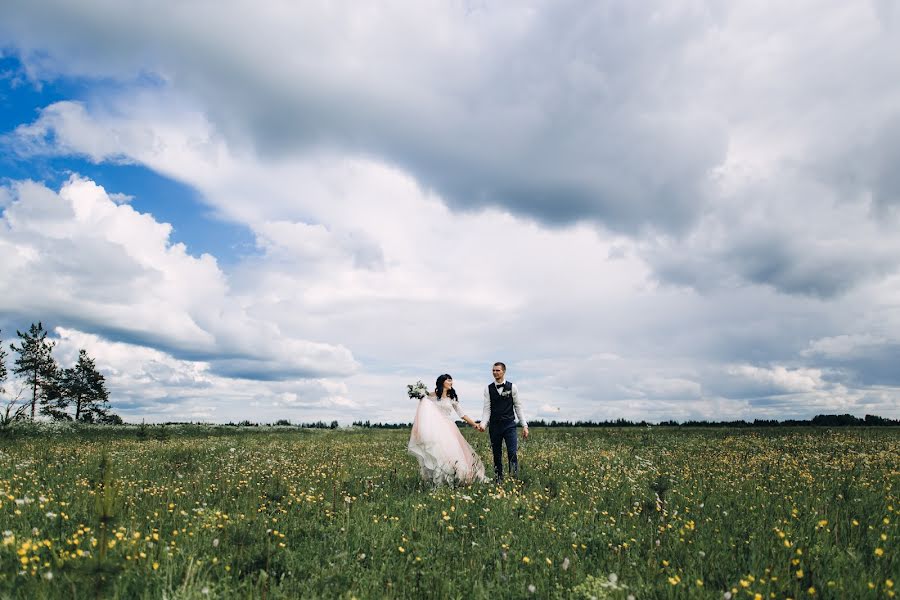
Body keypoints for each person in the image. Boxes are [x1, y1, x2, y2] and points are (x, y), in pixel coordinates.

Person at [408, 374, 486, 486]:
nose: (451, 382)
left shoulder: (452, 398)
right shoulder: (430, 396)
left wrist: (475, 424)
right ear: (442, 382)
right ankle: (437, 480)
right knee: (437, 453)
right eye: (449, 380)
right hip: (435, 429)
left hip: (449, 429)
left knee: (451, 453)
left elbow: (462, 414)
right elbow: (424, 411)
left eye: (451, 380)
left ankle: (455, 478)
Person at [478, 362, 528, 482]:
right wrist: (483, 424)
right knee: (496, 454)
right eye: (493, 370)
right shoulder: (488, 388)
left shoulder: (512, 387)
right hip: (494, 426)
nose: (495, 372)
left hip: (509, 425)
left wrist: (524, 425)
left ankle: (513, 478)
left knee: (512, 452)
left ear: (503, 372)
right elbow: (487, 409)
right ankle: (498, 478)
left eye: (498, 370)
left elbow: (518, 407)